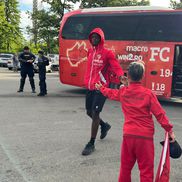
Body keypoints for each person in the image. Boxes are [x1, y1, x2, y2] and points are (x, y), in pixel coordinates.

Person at [95, 61, 175, 182]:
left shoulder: (123, 92)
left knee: (125, 169)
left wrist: (101, 88)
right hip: (145, 138)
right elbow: (160, 114)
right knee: (146, 171)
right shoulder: (148, 94)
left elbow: (111, 93)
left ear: (128, 76)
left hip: (128, 136)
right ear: (142, 76)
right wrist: (169, 130)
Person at [82, 28, 124, 156]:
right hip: (89, 87)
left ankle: (91, 143)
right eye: (92, 37)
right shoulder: (89, 52)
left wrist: (121, 77)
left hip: (101, 88)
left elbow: (116, 66)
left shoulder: (107, 53)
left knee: (95, 113)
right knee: (89, 112)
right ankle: (104, 125)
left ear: (101, 39)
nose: (94, 39)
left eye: (96, 37)